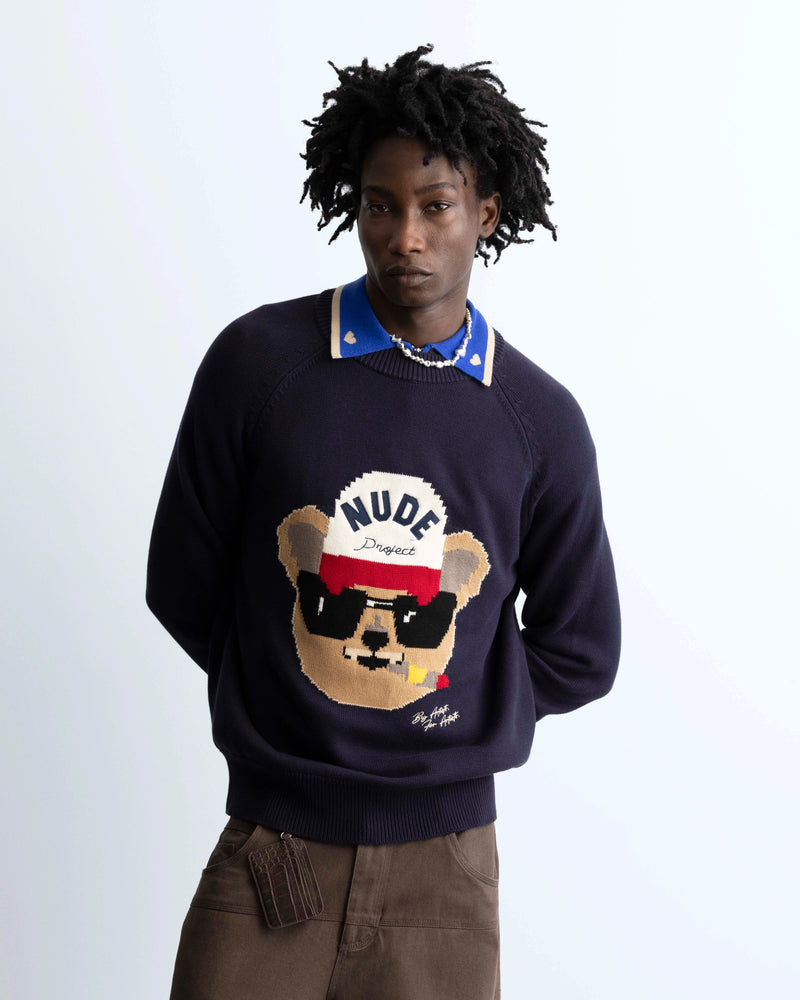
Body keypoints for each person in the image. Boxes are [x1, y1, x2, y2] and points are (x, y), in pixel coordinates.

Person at [146, 44, 621, 1000]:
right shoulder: (259, 365)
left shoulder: (537, 419)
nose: (406, 236)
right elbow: (182, 582)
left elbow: (583, 650)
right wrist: (292, 693)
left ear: (486, 214)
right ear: (352, 207)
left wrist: (448, 708)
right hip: (272, 850)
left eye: (436, 206)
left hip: (446, 873)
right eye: (379, 205)